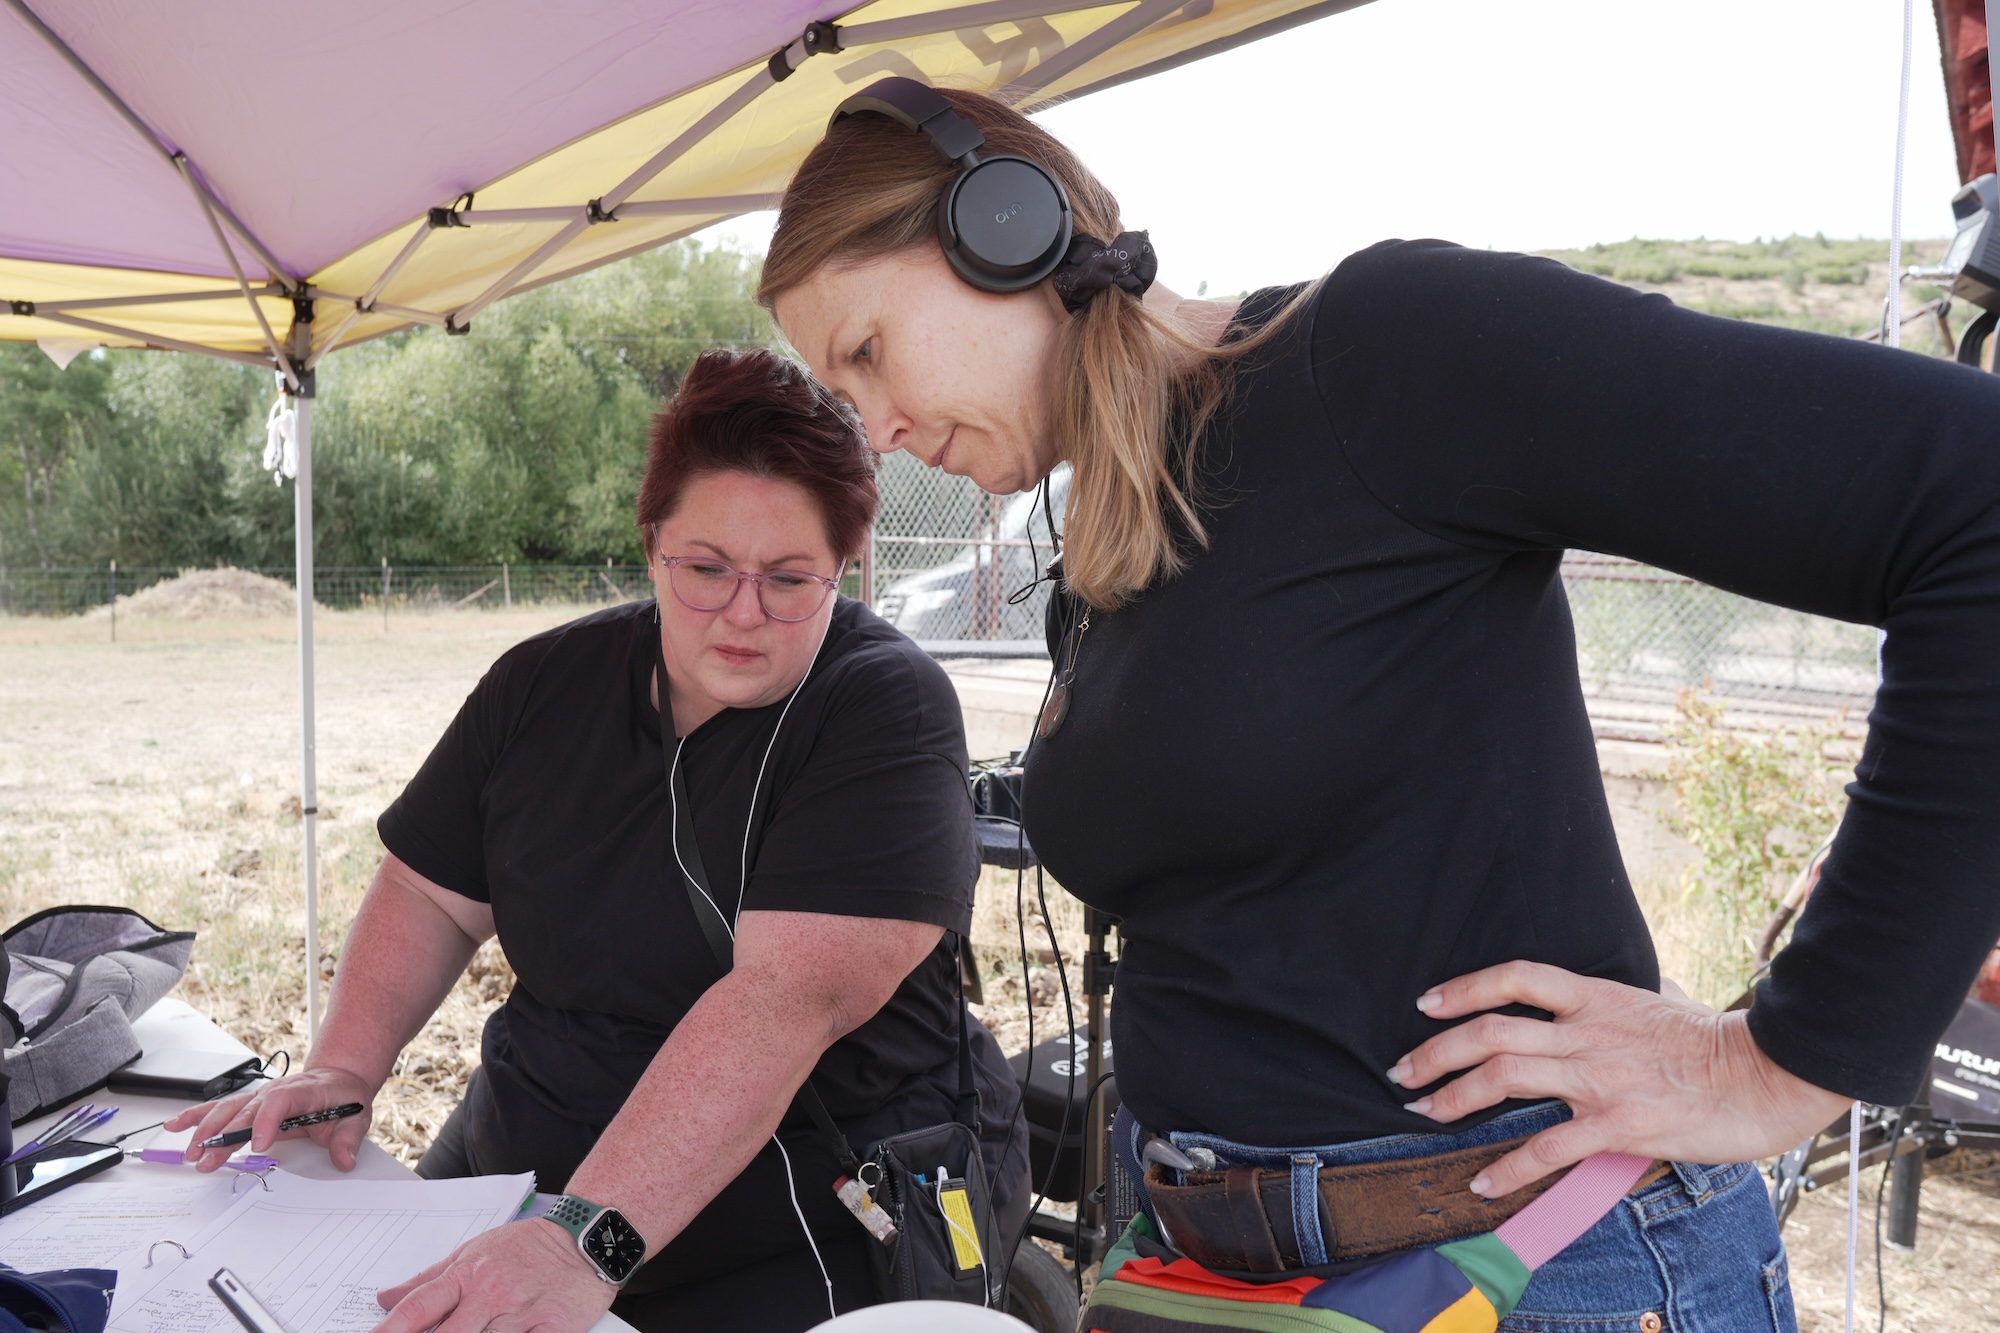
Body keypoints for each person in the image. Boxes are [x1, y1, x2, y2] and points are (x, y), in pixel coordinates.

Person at [762, 80, 2000, 1328]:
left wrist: (1789, 1058)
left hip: (1526, 1268)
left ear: (1011, 227)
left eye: (865, 351)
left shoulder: (1378, 351)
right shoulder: (1106, 554)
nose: (871, 429)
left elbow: (1973, 499)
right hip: (1218, 1274)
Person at [164, 348, 1029, 1333]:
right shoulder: (540, 684)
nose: (742, 613)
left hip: (799, 1210)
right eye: (704, 569)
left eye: (789, 579)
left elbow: (782, 1000)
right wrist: (344, 1071)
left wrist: (583, 1239)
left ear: (847, 565)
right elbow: (431, 892)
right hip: (527, 1170)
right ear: (651, 538)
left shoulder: (881, 707)